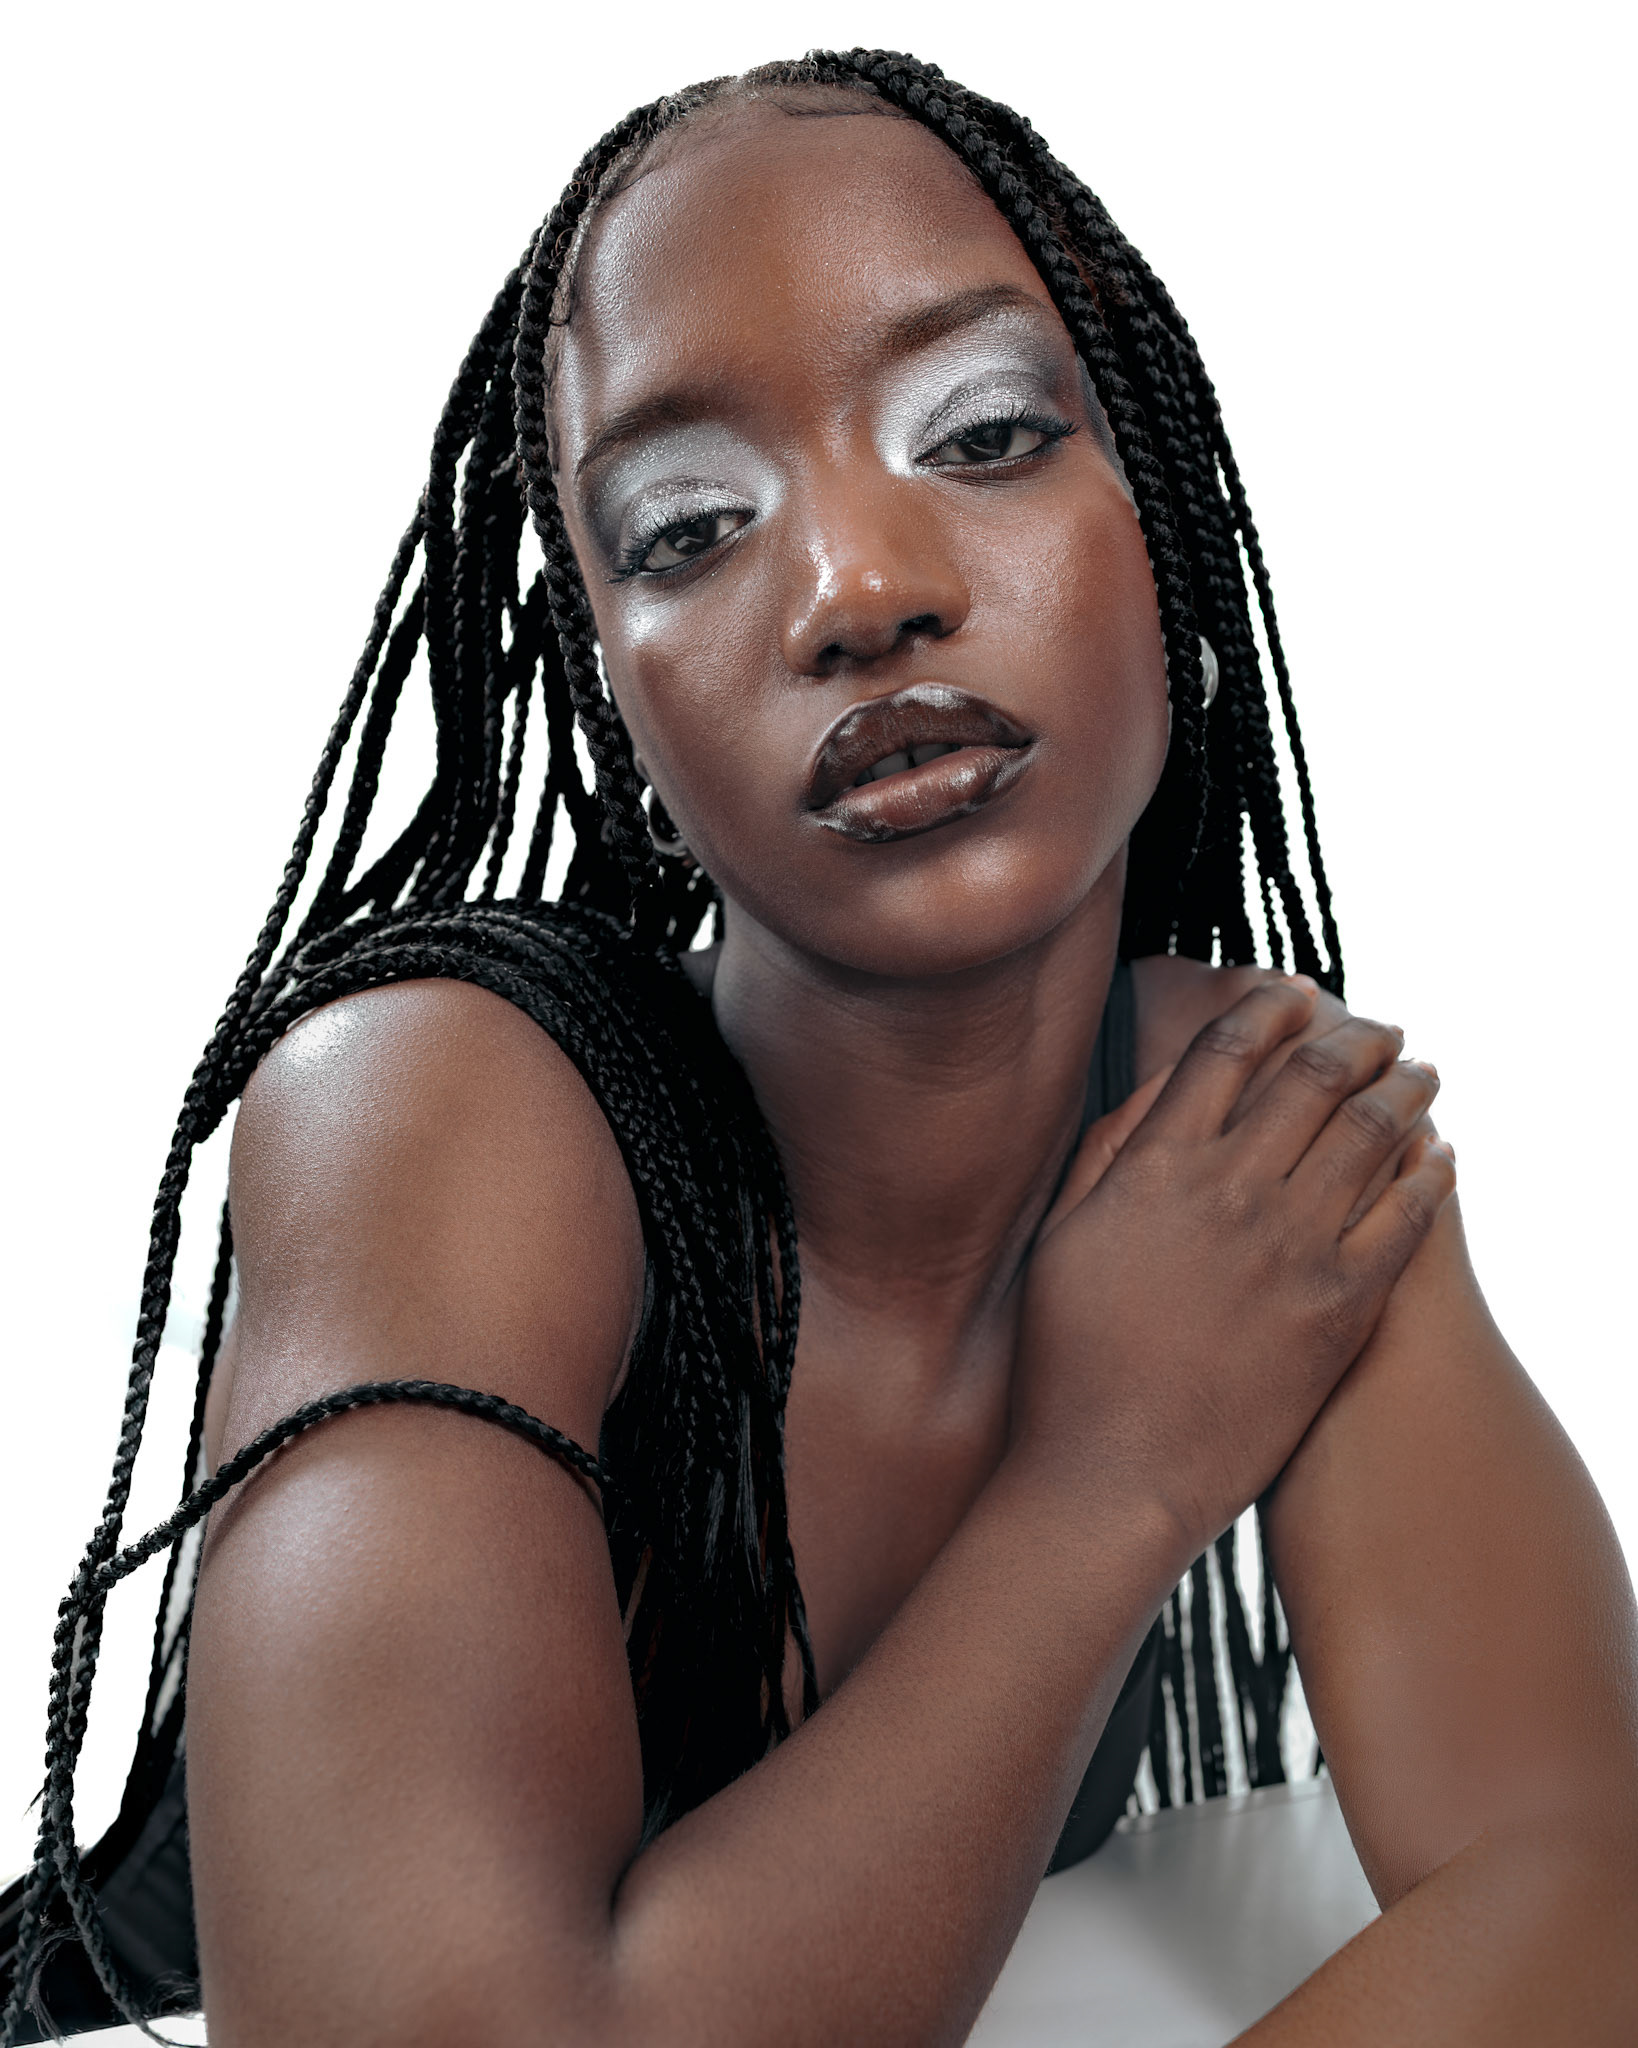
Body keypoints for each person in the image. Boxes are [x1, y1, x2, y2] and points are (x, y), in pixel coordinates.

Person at [4, 48, 1636, 2046]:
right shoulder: (440, 1100)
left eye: (986, 433)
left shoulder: (1242, 1139)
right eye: (689, 529)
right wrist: (1104, 1478)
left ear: (1163, 526)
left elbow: (1584, 1887)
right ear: (614, 694)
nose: (858, 590)